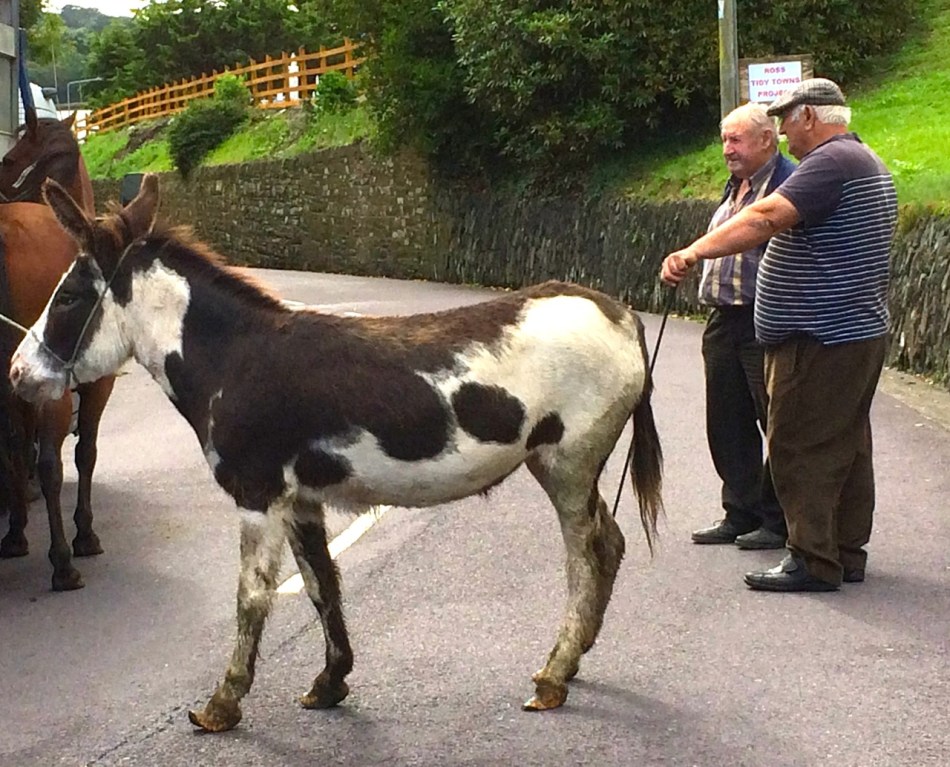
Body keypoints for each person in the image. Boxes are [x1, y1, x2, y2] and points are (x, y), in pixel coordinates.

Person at [661, 78, 898, 592]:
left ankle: (813, 559)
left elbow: (767, 217)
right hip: (851, 331)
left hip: (819, 337)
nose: (785, 132)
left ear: (809, 116)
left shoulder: (831, 163)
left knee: (799, 445)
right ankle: (844, 552)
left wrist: (695, 251)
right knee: (846, 446)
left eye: (787, 120)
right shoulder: (862, 159)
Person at [690, 102, 795, 551]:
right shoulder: (735, 186)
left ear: (766, 139)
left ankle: (780, 520)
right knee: (726, 420)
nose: (727, 150)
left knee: (776, 420)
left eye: (735, 140)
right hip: (723, 318)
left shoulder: (787, 183)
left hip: (762, 318)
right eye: (724, 140)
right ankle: (741, 511)